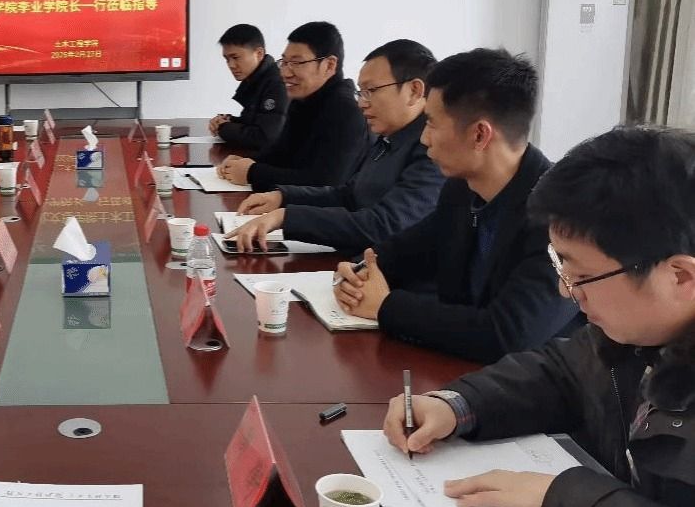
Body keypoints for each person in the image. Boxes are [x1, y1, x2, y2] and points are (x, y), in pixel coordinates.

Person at [382, 127, 695, 507]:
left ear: (680, 277)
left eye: (580, 275)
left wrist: (562, 501)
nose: (566, 292)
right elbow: (562, 370)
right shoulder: (637, 333)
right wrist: (459, 404)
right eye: (559, 264)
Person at [333, 48, 580, 363]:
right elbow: (402, 252)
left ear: (479, 135)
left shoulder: (563, 216)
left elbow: (507, 334)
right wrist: (358, 273)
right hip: (459, 372)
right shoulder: (461, 191)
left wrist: (385, 306)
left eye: (432, 124)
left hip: (538, 384)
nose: (424, 138)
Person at [227, 39, 444, 255]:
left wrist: (287, 218)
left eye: (371, 90)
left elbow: (383, 226)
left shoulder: (433, 150)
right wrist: (283, 197)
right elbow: (349, 195)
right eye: (361, 92)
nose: (362, 103)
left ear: (414, 90)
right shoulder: (390, 136)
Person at [218, 21, 370, 191]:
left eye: (297, 63)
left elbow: (325, 184)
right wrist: (248, 162)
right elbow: (281, 152)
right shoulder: (303, 99)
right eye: (284, 62)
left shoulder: (346, 111)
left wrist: (252, 172)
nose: (285, 73)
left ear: (329, 65)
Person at [207, 24, 288, 151]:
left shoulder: (277, 84)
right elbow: (255, 122)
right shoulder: (256, 80)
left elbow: (265, 138)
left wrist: (223, 128)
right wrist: (227, 120)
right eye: (227, 59)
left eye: (235, 57)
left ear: (259, 54)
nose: (231, 65)